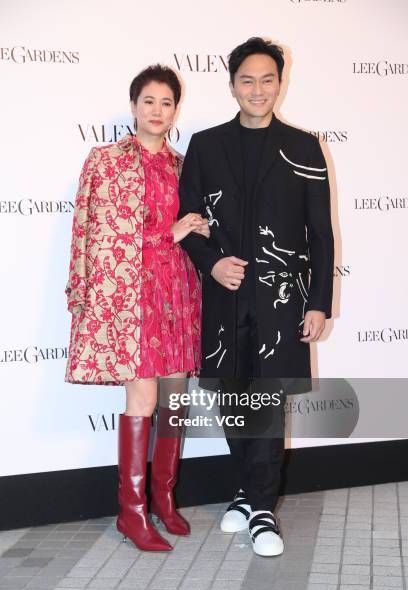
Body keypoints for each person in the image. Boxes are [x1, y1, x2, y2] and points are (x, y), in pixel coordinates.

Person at [179, 37, 334, 556]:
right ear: (232, 85)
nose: (258, 89)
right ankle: (247, 490)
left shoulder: (304, 146)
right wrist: (211, 263)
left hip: (282, 299)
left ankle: (262, 507)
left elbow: (322, 232)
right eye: (248, 79)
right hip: (223, 297)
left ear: (280, 83)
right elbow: (190, 221)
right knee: (232, 397)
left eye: (268, 79)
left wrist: (319, 302)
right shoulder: (205, 145)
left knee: (268, 400)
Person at [65, 64, 209, 552]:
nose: (157, 110)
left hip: (178, 292)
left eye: (167, 103)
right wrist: (171, 233)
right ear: (133, 107)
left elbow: (199, 229)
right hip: (132, 299)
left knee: (175, 401)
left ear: (175, 112)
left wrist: (203, 231)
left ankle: (164, 502)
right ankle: (132, 512)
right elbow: (105, 238)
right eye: (149, 101)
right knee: (143, 401)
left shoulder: (184, 166)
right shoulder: (106, 162)